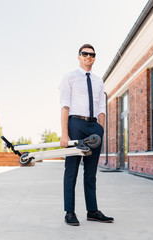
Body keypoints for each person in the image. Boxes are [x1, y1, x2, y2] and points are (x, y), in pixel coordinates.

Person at [59, 44, 114, 226]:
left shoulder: (98, 81)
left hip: (94, 127)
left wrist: (101, 129)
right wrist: (64, 133)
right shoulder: (70, 78)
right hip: (75, 124)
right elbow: (65, 105)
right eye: (84, 54)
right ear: (79, 56)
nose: (88, 57)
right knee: (71, 170)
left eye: (91, 54)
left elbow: (101, 107)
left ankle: (92, 211)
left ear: (94, 58)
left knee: (91, 172)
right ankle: (69, 212)